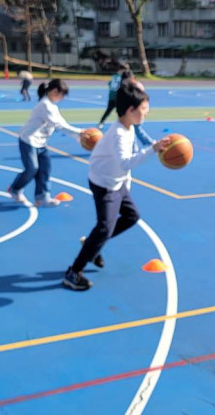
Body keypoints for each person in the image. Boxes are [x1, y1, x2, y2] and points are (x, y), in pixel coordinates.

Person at [64, 82, 165, 292]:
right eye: (143, 110)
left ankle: (92, 244)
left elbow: (124, 166)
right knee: (104, 228)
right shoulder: (118, 133)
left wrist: (126, 184)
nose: (146, 114)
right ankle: (73, 272)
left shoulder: (128, 128)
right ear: (130, 110)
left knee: (131, 216)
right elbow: (126, 162)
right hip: (104, 184)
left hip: (116, 182)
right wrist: (153, 149)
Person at [7, 78, 85, 208]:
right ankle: (15, 189)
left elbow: (62, 123)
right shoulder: (45, 105)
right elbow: (58, 125)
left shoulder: (53, 106)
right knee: (32, 169)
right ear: (55, 91)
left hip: (41, 143)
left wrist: (77, 136)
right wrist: (79, 132)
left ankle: (42, 197)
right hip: (28, 141)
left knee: (45, 169)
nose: (62, 98)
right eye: (62, 95)